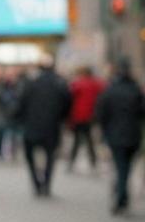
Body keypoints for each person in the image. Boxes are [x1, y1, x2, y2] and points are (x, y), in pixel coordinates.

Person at [94, 58, 145, 214]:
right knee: (125, 166)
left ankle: (121, 195)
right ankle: (122, 194)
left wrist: (103, 131)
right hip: (133, 134)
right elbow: (144, 111)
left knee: (120, 166)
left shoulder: (110, 91)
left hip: (115, 134)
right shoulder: (136, 90)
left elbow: (101, 113)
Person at [17, 58, 71, 197]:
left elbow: (21, 103)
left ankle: (36, 183)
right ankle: (46, 183)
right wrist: (61, 118)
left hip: (32, 125)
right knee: (50, 157)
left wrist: (22, 119)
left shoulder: (31, 83)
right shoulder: (59, 84)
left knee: (30, 156)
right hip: (52, 126)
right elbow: (67, 104)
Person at [67, 66, 105, 172]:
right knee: (89, 140)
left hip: (78, 116)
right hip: (90, 116)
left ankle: (71, 162)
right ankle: (93, 162)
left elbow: (69, 97)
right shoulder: (96, 84)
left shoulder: (77, 84)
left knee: (77, 140)